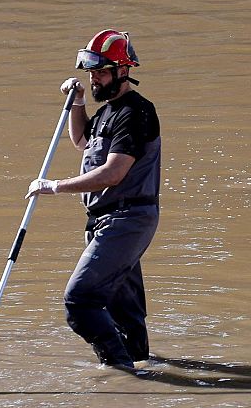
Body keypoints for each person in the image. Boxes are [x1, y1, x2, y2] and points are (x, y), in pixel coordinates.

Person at [25, 29, 162, 372]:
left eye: (100, 72)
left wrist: (55, 186)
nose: (94, 79)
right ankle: (139, 362)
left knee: (81, 299)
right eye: (91, 73)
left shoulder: (135, 112)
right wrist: (78, 102)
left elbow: (114, 172)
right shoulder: (108, 111)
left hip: (127, 219)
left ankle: (120, 373)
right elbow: (83, 141)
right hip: (108, 218)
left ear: (122, 71)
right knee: (122, 306)